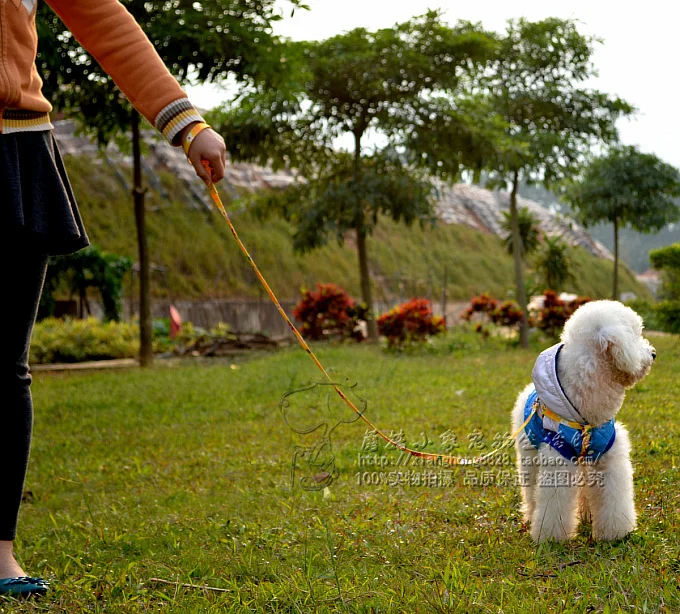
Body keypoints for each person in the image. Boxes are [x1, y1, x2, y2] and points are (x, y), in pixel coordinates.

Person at [0, 0, 226, 597]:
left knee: (2, 368)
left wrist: (188, 126)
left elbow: (103, 19)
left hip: (14, 151)